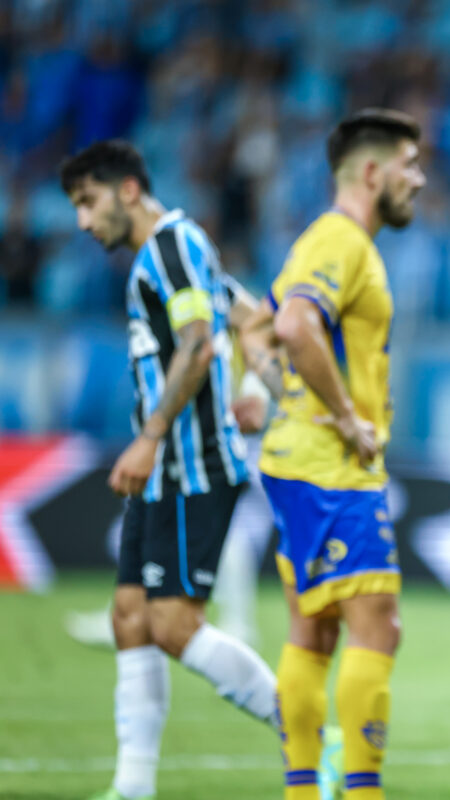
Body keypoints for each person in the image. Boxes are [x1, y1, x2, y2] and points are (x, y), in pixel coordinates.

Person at [60, 140, 281, 800]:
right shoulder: (171, 254)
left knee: (172, 626)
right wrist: (257, 388)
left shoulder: (173, 244)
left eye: (87, 202)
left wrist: (152, 434)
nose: (81, 221)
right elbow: (254, 319)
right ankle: (132, 787)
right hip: (165, 474)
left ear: (127, 189)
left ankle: (309, 733)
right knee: (131, 616)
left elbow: (194, 342)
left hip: (193, 466)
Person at [248, 108, 425, 800]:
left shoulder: (324, 242)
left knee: (312, 631)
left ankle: (302, 790)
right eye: (410, 166)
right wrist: (348, 417)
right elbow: (292, 323)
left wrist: (272, 386)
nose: (420, 179)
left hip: (302, 462)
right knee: (378, 627)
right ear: (373, 172)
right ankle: (360, 791)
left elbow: (259, 325)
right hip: (329, 469)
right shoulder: (342, 239)